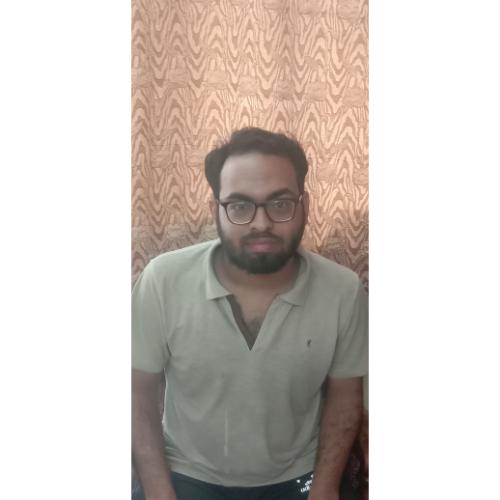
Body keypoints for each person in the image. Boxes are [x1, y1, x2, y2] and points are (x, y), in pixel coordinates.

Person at [132, 127, 368, 500]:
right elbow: (136, 389)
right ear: (216, 209)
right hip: (188, 474)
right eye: (240, 206)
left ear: (304, 206)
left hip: (299, 476)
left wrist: (324, 487)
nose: (261, 223)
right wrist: (159, 491)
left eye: (280, 203)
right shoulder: (163, 280)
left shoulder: (343, 290)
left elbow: (345, 396)